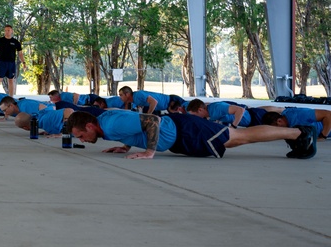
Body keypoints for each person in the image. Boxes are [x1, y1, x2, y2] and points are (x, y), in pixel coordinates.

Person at [65, 109, 317, 159]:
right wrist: (126, 146)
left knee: (242, 136)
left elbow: (151, 120)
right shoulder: (105, 122)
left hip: (185, 131)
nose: (82, 140)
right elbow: (135, 125)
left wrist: (150, 151)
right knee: (237, 139)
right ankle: (295, 135)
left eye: (80, 135)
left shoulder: (110, 126)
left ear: (88, 127)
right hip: (182, 134)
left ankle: (298, 133)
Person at [0, 24, 24, 95]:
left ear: (12, 31)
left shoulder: (15, 42)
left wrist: (24, 63)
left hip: (11, 63)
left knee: (11, 80)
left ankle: (11, 97)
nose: (7, 32)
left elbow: (20, 53)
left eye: (8, 30)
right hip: (2, 63)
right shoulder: (0, 41)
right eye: (5, 30)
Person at [259, 107, 331, 139]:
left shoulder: (298, 115)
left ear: (279, 121)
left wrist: (323, 136)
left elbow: (328, 115)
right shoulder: (288, 119)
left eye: (275, 129)